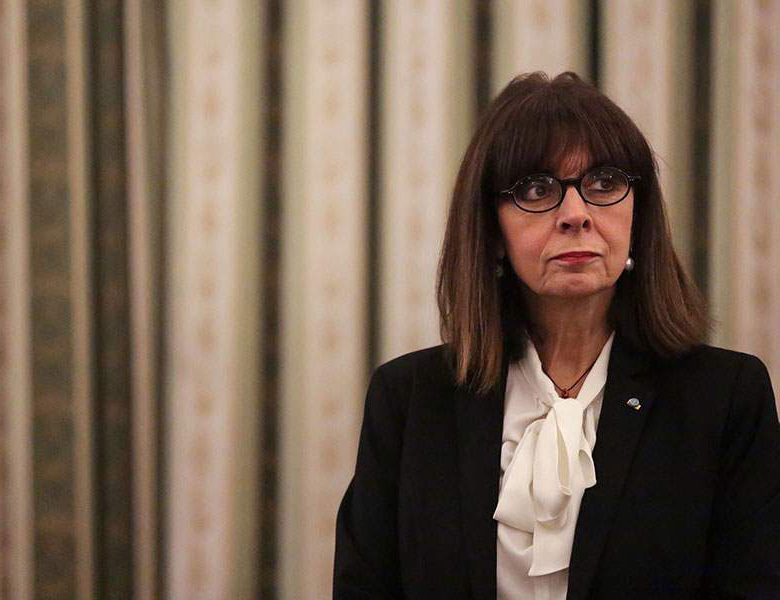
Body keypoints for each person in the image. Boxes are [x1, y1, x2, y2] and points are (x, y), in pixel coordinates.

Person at [333, 72, 780, 599]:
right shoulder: (409, 400)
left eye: (604, 183)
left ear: (638, 216)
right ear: (492, 231)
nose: (576, 215)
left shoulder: (725, 397)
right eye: (537, 190)